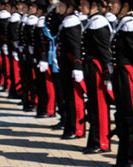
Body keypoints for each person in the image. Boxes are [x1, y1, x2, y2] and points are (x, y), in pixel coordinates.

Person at [110, 0, 133, 167]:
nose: (110, 5)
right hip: (120, 75)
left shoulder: (131, 25)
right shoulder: (122, 23)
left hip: (129, 76)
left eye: (114, 2)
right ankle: (123, 157)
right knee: (122, 117)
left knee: (132, 119)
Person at [80, 0, 113, 154]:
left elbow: (105, 52)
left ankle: (102, 141)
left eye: (84, 4)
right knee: (93, 106)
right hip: (90, 68)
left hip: (97, 69)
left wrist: (107, 75)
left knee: (99, 106)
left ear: (93, 5)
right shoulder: (92, 21)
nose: (81, 7)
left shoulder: (99, 23)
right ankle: (94, 139)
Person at [57, 0, 86, 140]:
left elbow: (76, 47)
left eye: (62, 5)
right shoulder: (67, 20)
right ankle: (70, 125)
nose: (59, 7)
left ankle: (77, 128)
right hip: (66, 63)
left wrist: (77, 65)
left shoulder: (72, 22)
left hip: (71, 64)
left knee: (74, 98)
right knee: (68, 96)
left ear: (70, 7)